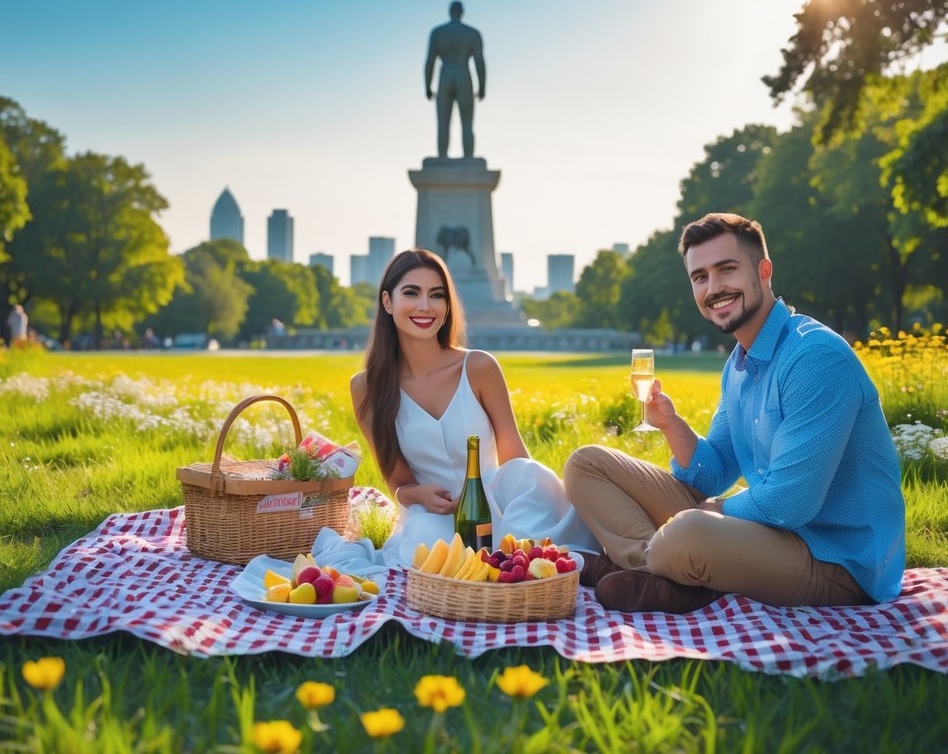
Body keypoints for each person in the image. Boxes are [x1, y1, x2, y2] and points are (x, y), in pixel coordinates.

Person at [563, 213, 905, 613]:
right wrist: (672, 425)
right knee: (585, 465)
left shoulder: (815, 358)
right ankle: (655, 570)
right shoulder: (739, 364)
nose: (714, 288)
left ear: (763, 271)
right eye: (700, 277)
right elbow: (714, 471)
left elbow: (790, 505)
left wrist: (715, 509)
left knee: (687, 533)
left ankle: (648, 566)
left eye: (727, 269)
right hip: (768, 532)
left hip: (836, 560)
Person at [350, 248, 599, 566]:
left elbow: (514, 458)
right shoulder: (367, 388)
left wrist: (524, 504)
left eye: (436, 295)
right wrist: (418, 494)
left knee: (528, 484)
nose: (425, 306)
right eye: (412, 293)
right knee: (427, 543)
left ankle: (577, 562)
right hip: (437, 514)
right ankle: (520, 563)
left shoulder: (478, 367)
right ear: (388, 302)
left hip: (496, 499)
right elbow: (398, 481)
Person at [425, 0, 486, 159]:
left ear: (450, 11)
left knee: (443, 124)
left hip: (445, 76)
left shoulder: (438, 33)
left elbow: (430, 61)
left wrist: (427, 86)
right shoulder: (472, 33)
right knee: (467, 124)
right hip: (463, 75)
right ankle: (467, 158)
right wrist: (482, 87)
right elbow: (479, 62)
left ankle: (443, 158)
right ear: (462, 12)